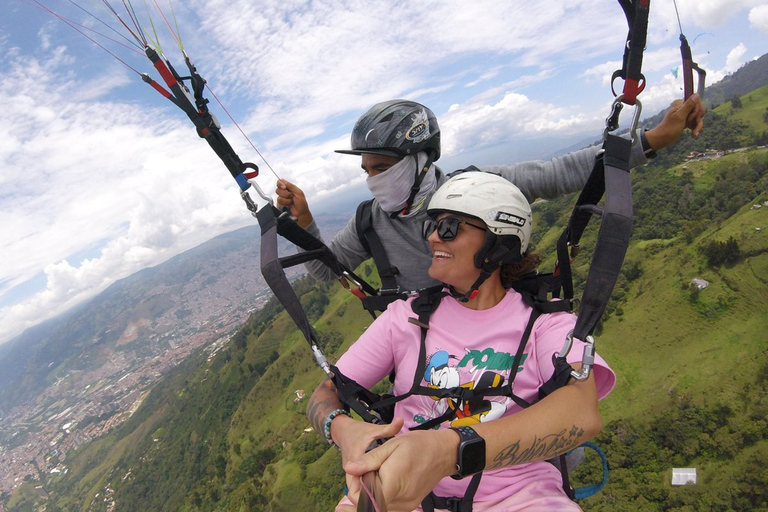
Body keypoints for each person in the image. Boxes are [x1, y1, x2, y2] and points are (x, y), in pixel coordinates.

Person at [307, 171, 616, 511]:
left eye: (450, 227)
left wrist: (446, 450)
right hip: (402, 493)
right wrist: (341, 429)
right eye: (432, 227)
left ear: (499, 243)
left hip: (520, 498)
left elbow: (581, 413)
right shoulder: (404, 317)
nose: (435, 238)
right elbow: (327, 392)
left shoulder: (547, 324)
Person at [276, 96, 705, 295]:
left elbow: (561, 173)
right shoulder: (370, 220)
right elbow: (326, 271)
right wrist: (305, 223)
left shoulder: (476, 189)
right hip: (425, 343)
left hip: (494, 323)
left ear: (420, 159)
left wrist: (650, 140)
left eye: (383, 168)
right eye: (367, 171)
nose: (373, 180)